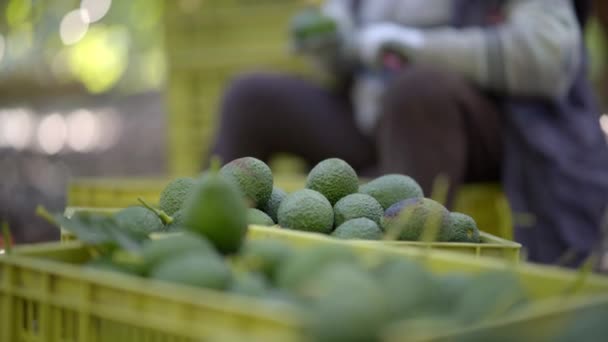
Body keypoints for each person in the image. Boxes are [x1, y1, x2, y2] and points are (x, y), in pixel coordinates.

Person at [211, 0, 608, 266]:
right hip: (371, 119)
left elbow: (551, 56)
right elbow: (343, 48)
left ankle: (394, 273)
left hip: (478, 127)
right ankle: (205, 242)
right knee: (249, 98)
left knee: (418, 92)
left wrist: (416, 47)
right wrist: (330, 43)